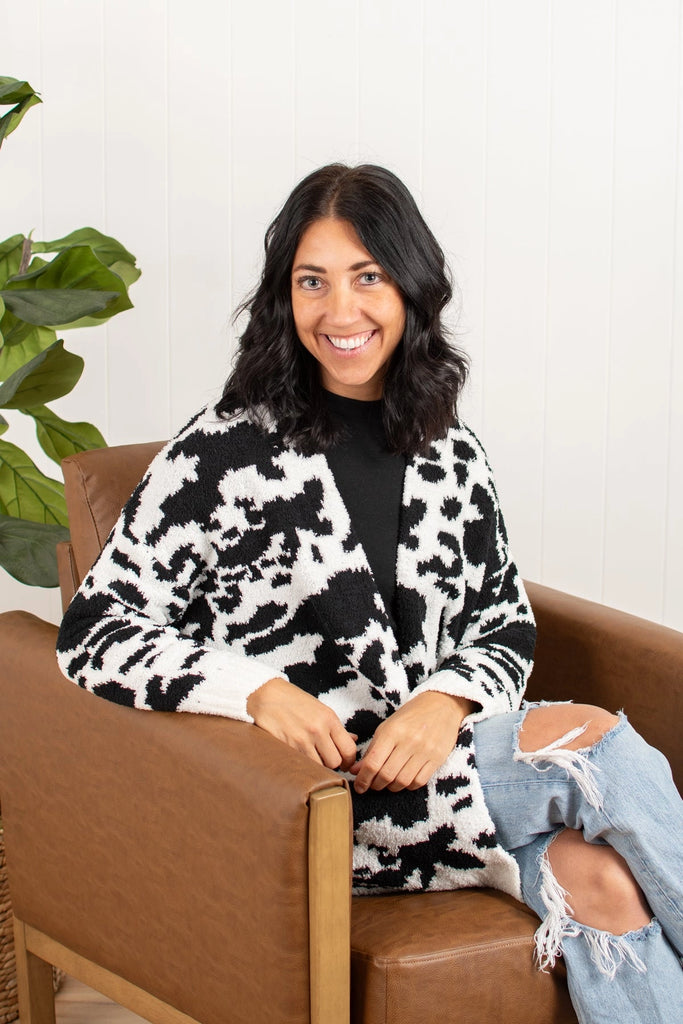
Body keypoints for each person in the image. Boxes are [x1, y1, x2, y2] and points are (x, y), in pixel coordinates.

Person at [56, 163, 683, 1022]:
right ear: (283, 296)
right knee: (593, 747)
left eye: (367, 277)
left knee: (602, 881)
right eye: (311, 281)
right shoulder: (221, 453)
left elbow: (502, 620)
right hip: (299, 802)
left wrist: (443, 702)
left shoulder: (449, 452)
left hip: (423, 778)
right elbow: (95, 630)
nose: (339, 311)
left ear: (410, 288)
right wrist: (256, 692)